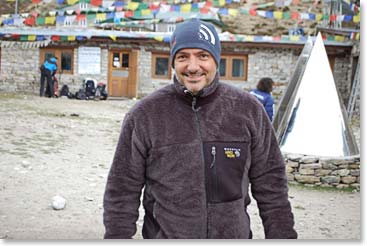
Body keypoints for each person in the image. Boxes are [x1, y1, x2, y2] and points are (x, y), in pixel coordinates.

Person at [103, 18, 297, 239]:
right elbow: (121, 190)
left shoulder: (249, 110)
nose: (193, 67)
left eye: (202, 56)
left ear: (216, 59)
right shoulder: (144, 115)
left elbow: (272, 185)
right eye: (183, 57)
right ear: (173, 62)